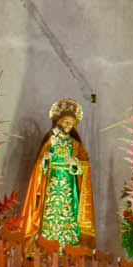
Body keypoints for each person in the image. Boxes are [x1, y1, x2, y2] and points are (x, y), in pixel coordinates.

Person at [18, 97, 97, 247]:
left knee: (69, 218)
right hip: (51, 187)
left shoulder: (76, 144)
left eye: (71, 124)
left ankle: (68, 250)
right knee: (49, 218)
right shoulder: (50, 140)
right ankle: (45, 246)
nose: (68, 126)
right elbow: (39, 165)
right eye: (66, 122)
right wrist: (45, 160)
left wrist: (77, 165)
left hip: (69, 189)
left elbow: (85, 165)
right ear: (58, 121)